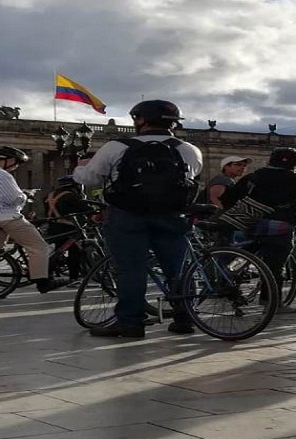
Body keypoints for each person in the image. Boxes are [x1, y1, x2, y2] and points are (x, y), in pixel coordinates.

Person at [74, 100, 203, 337]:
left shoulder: (115, 147)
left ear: (140, 120)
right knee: (179, 268)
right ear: (174, 122)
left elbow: (90, 179)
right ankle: (186, 317)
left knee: (130, 269)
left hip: (127, 215)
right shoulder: (188, 149)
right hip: (172, 215)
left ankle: (131, 322)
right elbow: (190, 178)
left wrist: (80, 168)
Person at [221, 148, 296, 314]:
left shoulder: (254, 176)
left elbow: (228, 198)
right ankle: (271, 303)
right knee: (274, 266)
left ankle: (228, 275)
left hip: (251, 224)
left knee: (248, 253)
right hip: (280, 226)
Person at [0, 146, 68, 294]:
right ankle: (43, 282)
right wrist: (26, 195)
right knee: (38, 247)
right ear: (9, 160)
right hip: (4, 217)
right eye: (16, 163)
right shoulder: (0, 175)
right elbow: (13, 199)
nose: (16, 167)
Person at [43, 175, 90, 280]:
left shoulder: (49, 196)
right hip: (69, 228)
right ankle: (74, 278)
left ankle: (48, 273)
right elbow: (86, 210)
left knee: (57, 252)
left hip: (53, 227)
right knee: (74, 252)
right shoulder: (72, 196)